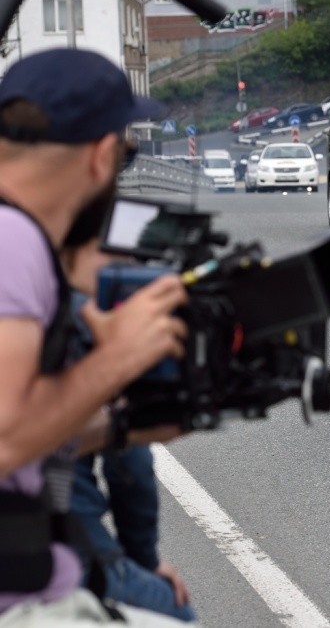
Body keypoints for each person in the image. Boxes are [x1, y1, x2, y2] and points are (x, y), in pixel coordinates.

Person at [0, 48, 192, 626]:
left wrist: (116, 427)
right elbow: (5, 441)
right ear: (104, 154)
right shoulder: (12, 239)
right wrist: (117, 357)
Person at [60, 231, 196, 623]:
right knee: (178, 610)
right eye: (113, 252)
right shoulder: (88, 324)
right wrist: (144, 560)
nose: (127, 266)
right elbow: (129, 470)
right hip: (64, 552)